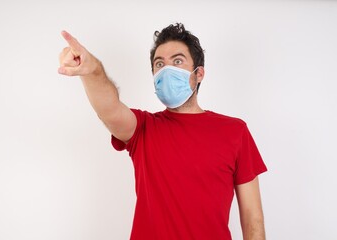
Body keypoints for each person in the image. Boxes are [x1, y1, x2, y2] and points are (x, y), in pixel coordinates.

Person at [58, 23, 267, 240]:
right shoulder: (142, 128)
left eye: (177, 61)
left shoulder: (235, 131)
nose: (167, 70)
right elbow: (108, 108)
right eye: (160, 64)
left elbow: (253, 219)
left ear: (200, 73)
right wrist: (93, 70)